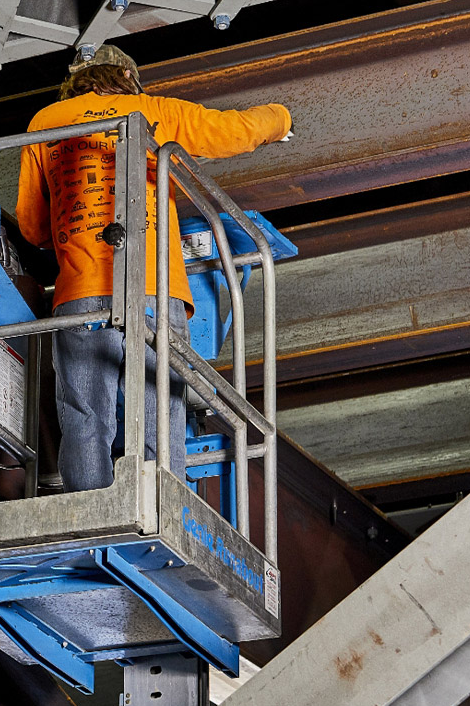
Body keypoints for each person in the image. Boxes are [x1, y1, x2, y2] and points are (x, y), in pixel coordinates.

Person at [16, 45, 291, 492]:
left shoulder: (44, 123)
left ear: (75, 82)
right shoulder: (150, 112)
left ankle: (93, 512)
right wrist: (281, 119)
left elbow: (30, 225)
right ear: (127, 78)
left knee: (86, 414)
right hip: (152, 288)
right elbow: (231, 131)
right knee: (159, 408)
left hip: (79, 290)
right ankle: (161, 505)